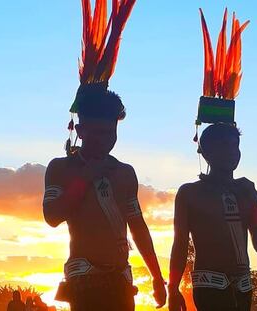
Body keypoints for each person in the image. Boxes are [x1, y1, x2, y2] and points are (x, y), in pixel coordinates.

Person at [43, 0, 166, 310]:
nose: (103, 141)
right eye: (95, 133)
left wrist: (156, 276)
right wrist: (84, 177)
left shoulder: (124, 172)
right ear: (80, 130)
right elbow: (53, 216)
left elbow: (138, 227)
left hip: (121, 283)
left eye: (110, 133)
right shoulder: (60, 169)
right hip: (83, 282)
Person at [168, 8, 257, 311]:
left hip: (243, 285)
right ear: (206, 152)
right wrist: (173, 290)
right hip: (208, 284)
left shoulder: (247, 189)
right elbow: (179, 244)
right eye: (223, 149)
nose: (231, 155)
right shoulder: (190, 193)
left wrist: (252, 205)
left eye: (235, 148)